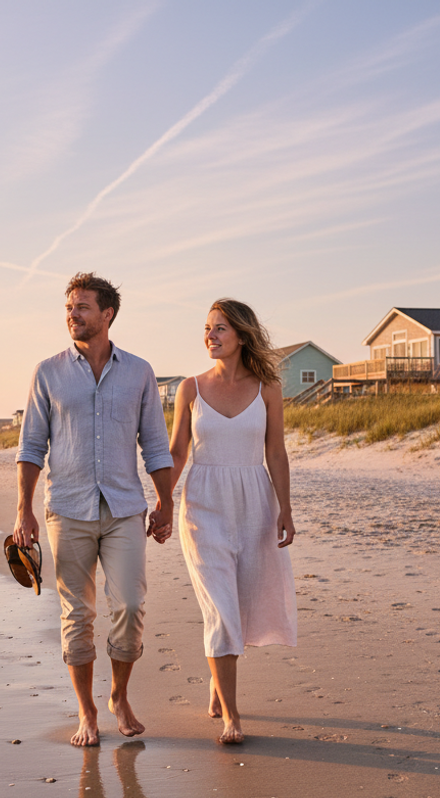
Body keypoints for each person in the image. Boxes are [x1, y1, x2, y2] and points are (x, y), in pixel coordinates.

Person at [15, 272, 174, 747]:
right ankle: (87, 713)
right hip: (67, 508)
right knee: (77, 615)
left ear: (107, 314)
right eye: (68, 308)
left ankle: (118, 695)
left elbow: (156, 445)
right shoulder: (48, 372)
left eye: (82, 307)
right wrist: (23, 510)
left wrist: (165, 502)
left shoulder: (140, 372)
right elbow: (30, 447)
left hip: (125, 506)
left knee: (129, 604)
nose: (73, 315)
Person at [167, 298, 297, 745]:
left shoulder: (268, 389)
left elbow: (275, 452)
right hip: (202, 504)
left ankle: (217, 680)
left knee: (240, 603)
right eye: (207, 328)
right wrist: (164, 499)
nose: (211, 336)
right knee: (220, 608)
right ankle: (232, 717)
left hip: (254, 502)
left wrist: (286, 507)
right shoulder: (190, 388)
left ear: (241, 335)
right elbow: (177, 451)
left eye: (220, 328)